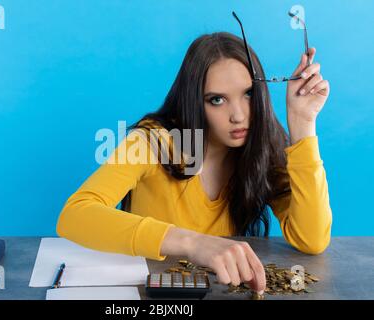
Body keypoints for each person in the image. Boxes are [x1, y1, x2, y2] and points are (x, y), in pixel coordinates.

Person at [56, 32, 332, 294]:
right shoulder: (155, 141)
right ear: (195, 102)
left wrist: (303, 124)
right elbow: (75, 215)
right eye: (217, 100)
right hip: (154, 296)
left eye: (248, 94)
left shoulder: (261, 151)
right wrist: (192, 242)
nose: (238, 115)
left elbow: (312, 239)